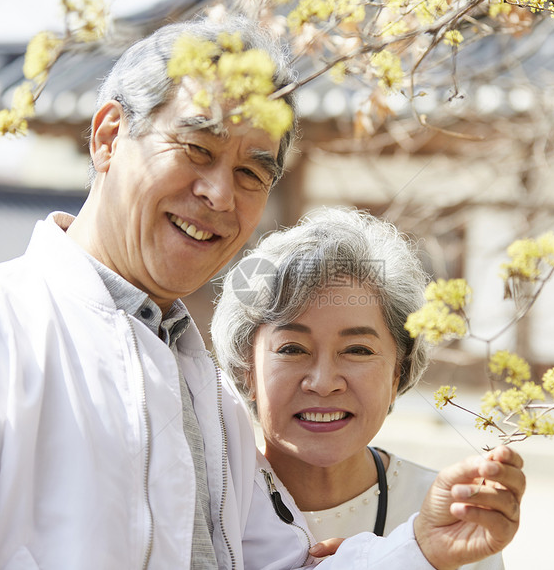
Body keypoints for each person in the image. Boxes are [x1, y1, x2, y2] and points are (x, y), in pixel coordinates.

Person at [0, 14, 521, 570]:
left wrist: (420, 546)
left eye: (250, 172)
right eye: (196, 148)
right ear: (108, 138)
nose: (219, 194)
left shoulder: (209, 396)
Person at [213, 207, 523, 569]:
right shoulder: (205, 504)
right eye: (292, 349)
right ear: (245, 368)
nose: (324, 382)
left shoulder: (450, 514)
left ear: (398, 373)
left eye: (358, 350)